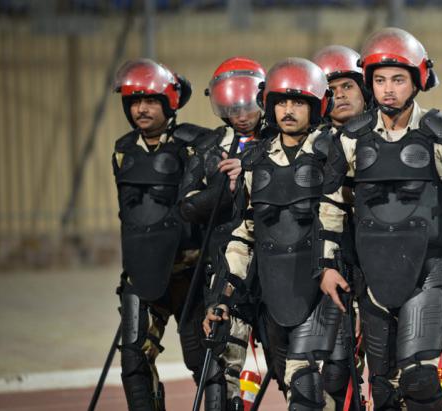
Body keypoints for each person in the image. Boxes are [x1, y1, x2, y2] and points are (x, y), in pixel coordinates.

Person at [318, 27, 442, 410]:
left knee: (418, 378)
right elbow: (330, 203)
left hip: (430, 269)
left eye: (398, 79)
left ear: (418, 80)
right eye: (379, 80)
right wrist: (327, 266)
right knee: (384, 388)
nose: (388, 90)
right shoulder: (351, 137)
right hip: (373, 275)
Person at [221, 57, 340, 411]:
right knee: (290, 384)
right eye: (281, 102)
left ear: (317, 106)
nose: (288, 110)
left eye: (299, 102)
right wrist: (225, 290)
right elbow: (246, 232)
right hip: (274, 291)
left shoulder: (335, 152)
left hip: (323, 290)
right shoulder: (255, 161)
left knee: (305, 386)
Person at [112, 58, 210, 410]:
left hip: (191, 275)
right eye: (134, 101)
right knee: (134, 364)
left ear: (169, 102)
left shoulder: (197, 144)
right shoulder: (123, 152)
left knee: (205, 364)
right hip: (144, 274)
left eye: (151, 100)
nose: (141, 108)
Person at [179, 57, 266, 411]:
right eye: (232, 108)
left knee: (293, 364)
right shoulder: (209, 147)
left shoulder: (283, 140)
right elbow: (186, 206)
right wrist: (225, 186)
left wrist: (249, 171)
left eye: (247, 106)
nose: (241, 115)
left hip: (276, 264)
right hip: (225, 268)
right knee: (218, 367)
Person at [312, 44, 370, 409]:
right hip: (330, 268)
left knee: (397, 374)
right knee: (335, 372)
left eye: (347, 86)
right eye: (330, 90)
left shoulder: (389, 137)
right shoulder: (306, 145)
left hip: (383, 267)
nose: (340, 96)